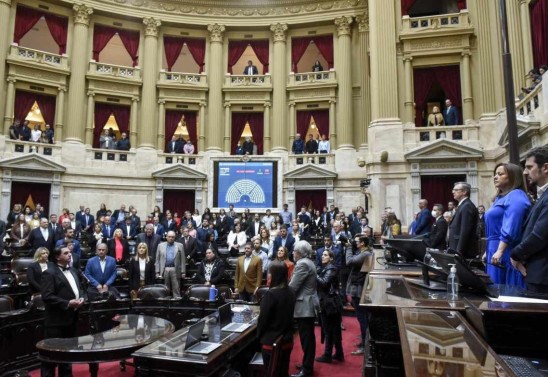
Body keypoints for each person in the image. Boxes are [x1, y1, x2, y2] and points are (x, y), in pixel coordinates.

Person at [482, 163, 531, 287]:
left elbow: (512, 224)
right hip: (494, 247)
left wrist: (499, 250)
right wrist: (487, 250)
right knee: (494, 289)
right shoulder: (500, 198)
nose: (495, 177)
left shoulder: (516, 195)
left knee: (505, 290)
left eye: (500, 174)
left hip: (506, 248)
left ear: (513, 177)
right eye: (495, 174)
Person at [41, 245, 84, 377]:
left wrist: (82, 298)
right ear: (57, 257)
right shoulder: (49, 273)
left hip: (71, 319)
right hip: (56, 322)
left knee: (67, 356)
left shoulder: (74, 271)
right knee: (51, 357)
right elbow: (47, 296)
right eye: (66, 253)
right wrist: (67, 303)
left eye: (70, 252)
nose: (69, 255)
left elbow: (80, 288)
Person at [511, 146, 548, 293]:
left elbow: (539, 235)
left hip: (542, 274)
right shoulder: (542, 194)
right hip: (537, 271)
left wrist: (515, 254)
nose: (525, 172)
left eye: (529, 167)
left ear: (545, 167)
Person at [257, 261, 296, 377]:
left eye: (270, 273)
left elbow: (262, 320)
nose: (268, 276)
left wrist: (259, 336)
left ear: (274, 275)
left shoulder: (270, 295)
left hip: (271, 342)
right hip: (287, 340)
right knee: (283, 372)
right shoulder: (291, 292)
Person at [289, 241, 317, 377]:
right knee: (308, 338)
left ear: (299, 252)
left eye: (294, 251)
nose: (292, 253)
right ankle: (307, 364)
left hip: (304, 306)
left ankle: (307, 370)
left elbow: (293, 287)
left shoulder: (302, 264)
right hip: (307, 304)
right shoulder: (309, 262)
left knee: (307, 339)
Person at [316, 250, 344, 363]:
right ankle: (339, 353)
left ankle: (327, 355)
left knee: (328, 330)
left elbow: (324, 282)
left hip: (330, 304)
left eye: (325, 255)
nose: (323, 256)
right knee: (334, 329)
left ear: (331, 258)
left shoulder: (331, 269)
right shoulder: (326, 268)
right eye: (322, 255)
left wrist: (315, 274)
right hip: (330, 303)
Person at [346, 235, 371, 355]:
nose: (354, 243)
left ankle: (365, 346)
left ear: (362, 243)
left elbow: (349, 261)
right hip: (358, 288)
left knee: (362, 319)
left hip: (359, 289)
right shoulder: (363, 252)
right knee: (362, 318)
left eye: (356, 242)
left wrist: (348, 248)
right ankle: (364, 341)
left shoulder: (365, 254)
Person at [448, 182, 479, 258]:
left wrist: (459, 251)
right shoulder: (463, 205)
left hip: (462, 251)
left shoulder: (467, 206)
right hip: (456, 247)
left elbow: (465, 230)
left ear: (464, 192)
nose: (453, 192)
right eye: (453, 190)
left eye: (456, 190)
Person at [155, 231, 185, 298]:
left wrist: (183, 271)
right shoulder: (160, 246)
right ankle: (165, 303)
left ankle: (176, 303)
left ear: (175, 237)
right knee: (165, 288)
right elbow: (157, 260)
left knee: (176, 288)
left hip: (175, 269)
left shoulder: (180, 245)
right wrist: (157, 272)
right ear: (166, 237)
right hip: (164, 269)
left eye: (172, 237)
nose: (171, 238)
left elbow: (183, 259)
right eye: (169, 237)